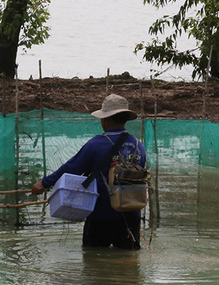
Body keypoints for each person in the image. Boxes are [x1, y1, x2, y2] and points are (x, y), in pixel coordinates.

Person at [31, 94, 147, 250]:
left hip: (102, 215)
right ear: (125, 119)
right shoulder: (138, 146)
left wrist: (44, 183)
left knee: (93, 260)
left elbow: (71, 168)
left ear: (105, 120)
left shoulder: (95, 145)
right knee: (129, 261)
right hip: (131, 215)